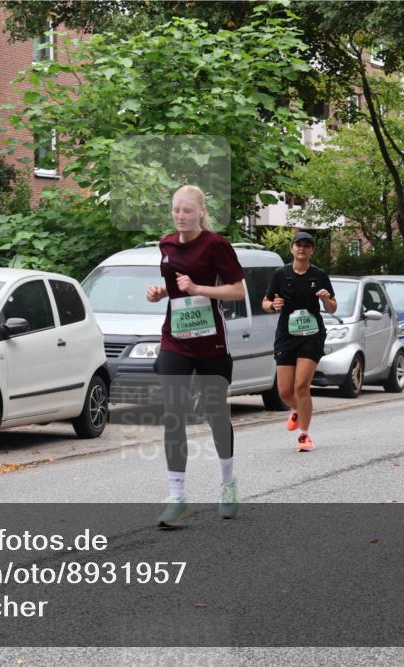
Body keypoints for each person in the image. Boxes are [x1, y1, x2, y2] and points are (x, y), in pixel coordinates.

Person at [146, 185, 245, 527]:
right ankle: (177, 496)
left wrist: (198, 288)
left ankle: (228, 483)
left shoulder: (216, 245)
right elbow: (175, 288)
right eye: (176, 210)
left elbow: (237, 291)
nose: (181, 216)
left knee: (215, 414)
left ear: (201, 212)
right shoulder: (166, 244)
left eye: (187, 210)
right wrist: (160, 293)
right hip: (175, 339)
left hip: (211, 343)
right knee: (173, 413)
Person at [260, 231, 336, 452]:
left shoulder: (319, 275)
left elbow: (333, 307)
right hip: (286, 335)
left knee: (301, 385)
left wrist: (325, 299)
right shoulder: (280, 274)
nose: (302, 248)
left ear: (312, 250)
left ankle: (304, 435)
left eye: (306, 245)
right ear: (292, 248)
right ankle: (299, 409)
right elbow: (265, 302)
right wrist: (273, 305)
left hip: (312, 335)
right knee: (285, 392)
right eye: (298, 245)